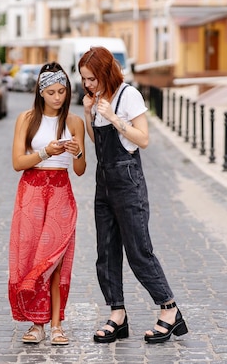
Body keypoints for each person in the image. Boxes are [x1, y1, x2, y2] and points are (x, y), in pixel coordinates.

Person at [79, 46, 188, 344]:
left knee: (138, 250)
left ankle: (169, 309)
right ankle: (117, 314)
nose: (87, 84)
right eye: (84, 79)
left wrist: (114, 117)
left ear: (104, 72)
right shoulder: (97, 100)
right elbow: (96, 141)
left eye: (91, 78)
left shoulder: (129, 96)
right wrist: (89, 113)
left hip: (128, 181)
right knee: (106, 250)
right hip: (104, 181)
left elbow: (143, 139)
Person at [8, 62, 87, 345]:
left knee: (55, 261)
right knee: (32, 259)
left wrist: (77, 153)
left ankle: (56, 325)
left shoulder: (75, 123)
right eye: (51, 91)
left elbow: (80, 170)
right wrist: (44, 152)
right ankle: (36, 324)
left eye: (62, 91)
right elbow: (18, 162)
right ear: (41, 92)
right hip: (30, 193)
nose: (57, 97)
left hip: (60, 193)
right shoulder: (27, 119)